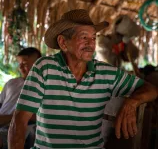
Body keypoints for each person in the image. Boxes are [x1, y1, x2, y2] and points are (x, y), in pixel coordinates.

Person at [8, 9, 157, 149]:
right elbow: (19, 121)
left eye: (93, 37)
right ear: (63, 43)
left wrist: (132, 102)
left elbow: (151, 89)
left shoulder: (105, 73)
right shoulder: (45, 68)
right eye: (84, 37)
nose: (91, 43)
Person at [0, 47, 41, 149]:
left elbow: (38, 116)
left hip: (23, 127)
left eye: (25, 64)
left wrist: (12, 117)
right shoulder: (11, 83)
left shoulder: (43, 85)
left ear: (38, 64)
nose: (21, 67)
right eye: (20, 64)